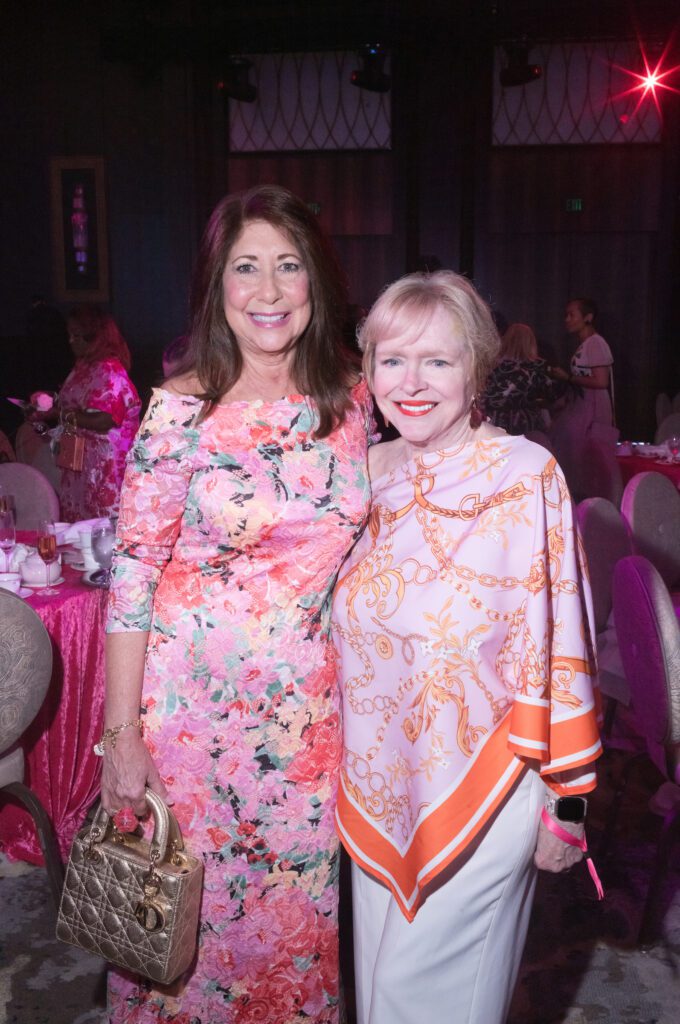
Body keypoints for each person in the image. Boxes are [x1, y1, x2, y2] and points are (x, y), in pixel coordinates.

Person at [101, 185, 375, 1023]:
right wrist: (121, 738)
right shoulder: (182, 409)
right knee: (179, 948)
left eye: (287, 267)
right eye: (245, 268)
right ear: (218, 287)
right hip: (188, 729)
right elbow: (133, 576)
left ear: (315, 282)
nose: (267, 291)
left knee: (288, 943)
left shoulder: (355, 403)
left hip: (303, 730)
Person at [332, 271, 602, 1024]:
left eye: (438, 362)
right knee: (380, 999)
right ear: (368, 371)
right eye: (392, 360)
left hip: (485, 792)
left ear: (476, 369)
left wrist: (569, 799)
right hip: (375, 790)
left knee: (421, 1003)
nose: (411, 383)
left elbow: (561, 642)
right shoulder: (362, 478)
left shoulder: (524, 477)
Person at [54, 306, 141, 520]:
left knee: (100, 530)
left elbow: (105, 419)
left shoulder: (110, 370)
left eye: (77, 335)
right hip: (77, 459)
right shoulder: (83, 366)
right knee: (76, 530)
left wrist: (61, 415)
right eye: (69, 335)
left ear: (96, 337)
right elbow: (71, 404)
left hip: (104, 468)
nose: (71, 341)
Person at [548, 297, 616, 497]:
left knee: (584, 453)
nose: (567, 319)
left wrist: (568, 377)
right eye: (566, 315)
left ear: (588, 317)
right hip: (582, 403)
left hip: (592, 406)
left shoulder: (596, 343)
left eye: (572, 315)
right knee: (570, 450)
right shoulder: (586, 344)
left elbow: (601, 381)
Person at [482, 321, 559, 434]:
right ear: (531, 342)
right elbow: (551, 396)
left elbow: (485, 394)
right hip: (527, 423)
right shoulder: (538, 367)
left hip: (496, 421)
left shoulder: (493, 365)